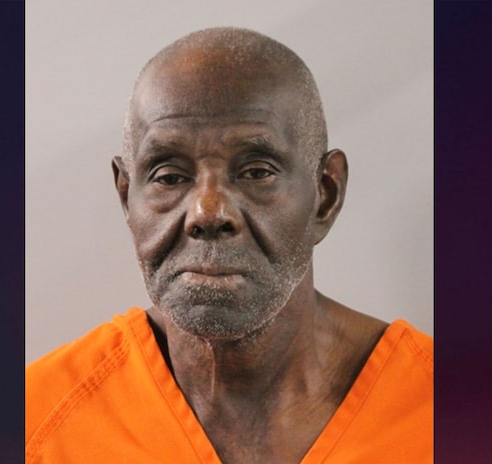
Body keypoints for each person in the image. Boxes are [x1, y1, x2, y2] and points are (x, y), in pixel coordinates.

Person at [26, 27, 432, 463]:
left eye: (257, 172)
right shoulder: (36, 422)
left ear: (325, 195)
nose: (208, 212)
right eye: (169, 176)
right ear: (127, 196)